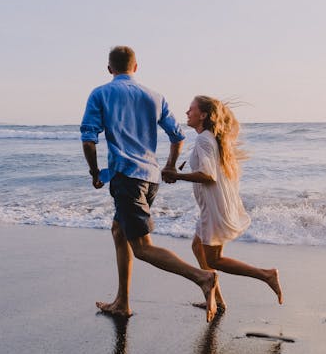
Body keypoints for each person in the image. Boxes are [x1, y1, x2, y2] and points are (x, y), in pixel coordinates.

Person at [80, 46, 219, 321]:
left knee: (142, 247)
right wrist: (168, 166)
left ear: (110, 69)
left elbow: (88, 138)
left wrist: (94, 171)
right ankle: (122, 301)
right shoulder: (155, 96)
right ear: (136, 67)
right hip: (149, 177)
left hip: (127, 178)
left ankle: (202, 277)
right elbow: (178, 137)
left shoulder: (100, 93)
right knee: (119, 232)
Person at [163, 95, 283, 309]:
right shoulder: (210, 137)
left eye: (191, 110)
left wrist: (175, 175)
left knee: (215, 259)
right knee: (197, 248)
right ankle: (216, 298)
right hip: (211, 206)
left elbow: (208, 175)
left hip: (213, 209)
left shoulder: (204, 139)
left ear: (203, 115)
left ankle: (266, 275)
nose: (187, 113)